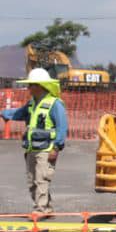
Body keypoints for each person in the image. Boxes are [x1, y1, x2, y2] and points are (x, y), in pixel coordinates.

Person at [3, 68, 69, 217]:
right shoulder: (32, 103)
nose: (28, 88)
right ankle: (46, 207)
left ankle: (41, 209)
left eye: (31, 84)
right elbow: (19, 113)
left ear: (39, 85)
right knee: (32, 180)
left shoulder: (55, 104)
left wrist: (56, 147)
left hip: (46, 148)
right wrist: (4, 114)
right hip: (32, 148)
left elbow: (62, 127)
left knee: (42, 179)